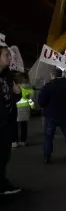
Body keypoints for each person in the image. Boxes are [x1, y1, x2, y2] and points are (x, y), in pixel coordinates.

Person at [38, 68, 66, 163]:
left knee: (48, 136)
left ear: (52, 75)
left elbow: (41, 101)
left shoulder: (48, 86)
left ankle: (47, 156)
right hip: (65, 113)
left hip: (51, 114)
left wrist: (46, 106)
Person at [0, 46, 21, 195]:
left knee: (4, 155)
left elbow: (11, 98)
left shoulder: (7, 75)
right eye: (6, 55)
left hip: (6, 123)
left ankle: (2, 183)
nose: (10, 57)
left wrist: (17, 94)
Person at [13, 72, 35, 147]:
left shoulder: (15, 87)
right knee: (24, 125)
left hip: (16, 109)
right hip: (25, 109)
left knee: (14, 126)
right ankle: (22, 141)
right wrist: (32, 106)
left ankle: (14, 141)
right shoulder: (29, 88)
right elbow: (31, 99)